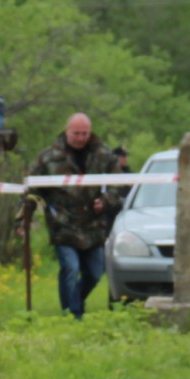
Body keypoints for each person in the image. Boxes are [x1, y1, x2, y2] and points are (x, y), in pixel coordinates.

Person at [28, 112, 125, 318]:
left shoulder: (104, 154)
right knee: (70, 268)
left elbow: (119, 183)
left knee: (95, 272)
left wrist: (106, 200)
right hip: (63, 225)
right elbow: (32, 189)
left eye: (85, 133)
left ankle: (76, 301)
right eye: (76, 133)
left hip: (93, 226)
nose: (81, 138)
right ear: (66, 131)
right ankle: (71, 312)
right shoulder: (49, 157)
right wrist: (23, 218)